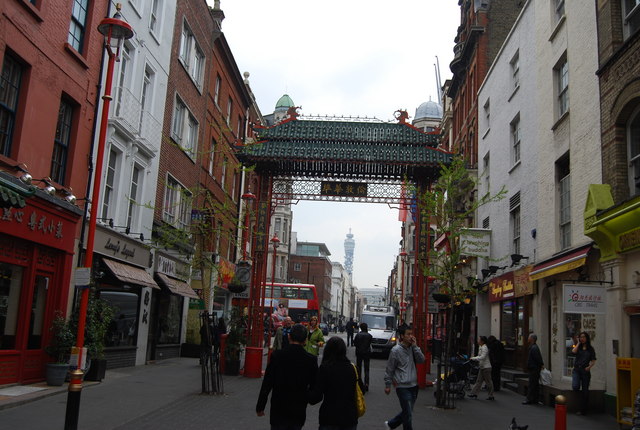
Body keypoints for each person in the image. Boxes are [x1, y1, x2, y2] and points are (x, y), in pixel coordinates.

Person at [256, 323, 318, 430]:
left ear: (289, 337)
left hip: (278, 409)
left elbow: (267, 383)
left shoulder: (277, 356)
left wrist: (260, 406)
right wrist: (306, 397)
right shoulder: (310, 360)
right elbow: (315, 388)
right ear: (305, 340)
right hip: (298, 410)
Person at [309, 336, 359, 430]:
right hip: (349, 416)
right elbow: (361, 390)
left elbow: (316, 396)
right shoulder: (353, 368)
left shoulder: (325, 368)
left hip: (329, 416)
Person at [383, 326, 425, 430]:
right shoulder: (395, 350)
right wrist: (388, 384)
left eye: (412, 334)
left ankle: (391, 424)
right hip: (402, 386)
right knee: (408, 413)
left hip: (414, 385)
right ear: (402, 336)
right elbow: (390, 368)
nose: (411, 336)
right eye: (408, 334)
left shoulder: (413, 348)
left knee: (408, 411)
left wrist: (415, 347)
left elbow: (421, 360)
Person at [571, 331, 596, 415]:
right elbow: (573, 352)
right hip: (577, 370)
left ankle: (583, 409)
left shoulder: (590, 349)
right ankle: (577, 403)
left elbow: (593, 360)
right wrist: (578, 343)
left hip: (585, 371)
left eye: (583, 337)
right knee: (575, 386)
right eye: (581, 337)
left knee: (585, 391)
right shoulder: (579, 347)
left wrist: (589, 367)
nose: (582, 338)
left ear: (587, 338)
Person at [468, 336, 494, 400]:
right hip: (482, 367)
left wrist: (474, 358)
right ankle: (474, 393)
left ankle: (491, 395)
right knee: (478, 381)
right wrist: (474, 358)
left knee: (488, 382)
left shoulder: (484, 348)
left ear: (482, 341)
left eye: (479, 340)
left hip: (486, 367)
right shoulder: (481, 347)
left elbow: (483, 357)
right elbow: (480, 356)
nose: (478, 341)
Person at [522, 333, 544, 405]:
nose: (528, 339)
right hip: (534, 368)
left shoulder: (534, 348)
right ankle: (535, 399)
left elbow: (538, 358)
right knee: (534, 384)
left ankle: (529, 399)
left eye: (529, 337)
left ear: (532, 339)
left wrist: (541, 364)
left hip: (534, 368)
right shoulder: (533, 347)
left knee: (532, 384)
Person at [353, 322, 373, 392]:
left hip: (359, 352)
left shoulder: (358, 335)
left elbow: (354, 343)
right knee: (366, 369)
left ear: (361, 328)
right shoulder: (369, 336)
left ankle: (359, 383)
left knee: (359, 368)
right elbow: (370, 343)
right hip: (367, 353)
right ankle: (366, 383)